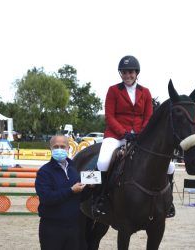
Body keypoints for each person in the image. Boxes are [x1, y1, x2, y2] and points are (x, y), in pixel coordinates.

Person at [93, 55, 153, 216]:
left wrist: (141, 134)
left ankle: (165, 202)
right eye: (124, 72)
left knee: (169, 166)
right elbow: (109, 116)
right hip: (116, 135)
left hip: (140, 137)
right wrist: (124, 133)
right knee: (103, 162)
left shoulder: (145, 92)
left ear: (136, 73)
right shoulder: (113, 90)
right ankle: (100, 198)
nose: (127, 75)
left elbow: (148, 117)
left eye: (131, 72)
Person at [36, 135, 86, 250]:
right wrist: (70, 190)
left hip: (73, 227)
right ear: (51, 149)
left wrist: (89, 189)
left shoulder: (74, 170)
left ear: (68, 148)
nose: (59, 149)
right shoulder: (44, 172)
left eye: (63, 146)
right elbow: (46, 198)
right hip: (52, 227)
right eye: (56, 147)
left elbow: (79, 198)